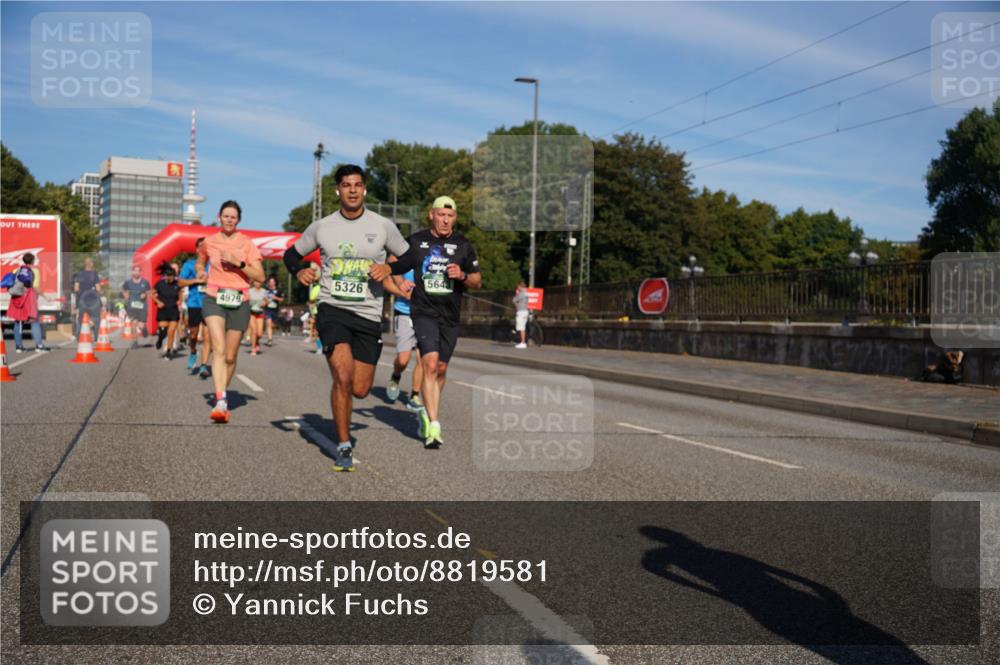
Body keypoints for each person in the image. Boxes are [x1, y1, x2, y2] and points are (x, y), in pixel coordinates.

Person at [283, 164, 409, 472]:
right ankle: (343, 445)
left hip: (368, 314)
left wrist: (390, 268)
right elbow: (291, 254)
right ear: (338, 190)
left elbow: (411, 256)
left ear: (364, 189)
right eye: (346, 185)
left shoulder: (383, 226)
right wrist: (298, 270)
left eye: (357, 184)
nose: (352, 190)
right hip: (332, 309)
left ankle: (344, 410)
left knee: (360, 388)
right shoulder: (322, 227)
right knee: (342, 375)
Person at [380, 195, 482, 448]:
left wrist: (463, 275)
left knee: (442, 369)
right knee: (430, 364)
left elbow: (477, 281)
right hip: (423, 312)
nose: (445, 220)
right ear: (431, 215)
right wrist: (399, 282)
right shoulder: (416, 241)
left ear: (454, 218)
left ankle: (427, 410)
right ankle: (434, 426)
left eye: (450, 216)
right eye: (441, 215)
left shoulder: (463, 245)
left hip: (450, 315)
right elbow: (391, 262)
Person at [196, 200, 265, 423]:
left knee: (230, 356)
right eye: (226, 216)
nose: (229, 220)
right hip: (214, 298)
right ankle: (221, 401)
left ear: (238, 220)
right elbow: (201, 261)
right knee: (218, 348)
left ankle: (221, 394)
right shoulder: (209, 241)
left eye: (233, 217)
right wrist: (201, 271)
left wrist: (239, 263)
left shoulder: (247, 244)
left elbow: (260, 276)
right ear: (219, 217)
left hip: (239, 300)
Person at [386, 268, 424, 412]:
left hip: (426, 315)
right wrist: (402, 293)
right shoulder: (403, 257)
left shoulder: (433, 259)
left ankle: (414, 395)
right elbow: (387, 281)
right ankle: (396, 376)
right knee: (403, 360)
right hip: (404, 313)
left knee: (423, 358)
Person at [179, 237, 212, 375]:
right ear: (197, 249)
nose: (204, 249)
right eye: (201, 246)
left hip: (211, 303)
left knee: (207, 336)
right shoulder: (189, 264)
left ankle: (204, 365)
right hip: (194, 303)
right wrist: (195, 280)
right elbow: (180, 282)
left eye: (206, 246)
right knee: (193, 335)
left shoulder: (213, 265)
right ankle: (193, 351)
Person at [6, 253, 49, 352]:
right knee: (34, 321)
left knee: (17, 321)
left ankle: (19, 347)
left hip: (16, 298)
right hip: (29, 298)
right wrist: (45, 296)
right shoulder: (34, 271)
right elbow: (35, 287)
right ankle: (39, 346)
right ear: (32, 261)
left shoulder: (16, 270)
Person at [152, 262, 182, 359]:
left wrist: (180, 301)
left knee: (171, 332)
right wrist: (158, 302)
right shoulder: (160, 284)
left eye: (172, 276)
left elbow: (180, 293)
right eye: (169, 276)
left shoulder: (177, 284)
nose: (171, 278)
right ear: (165, 276)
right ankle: (160, 339)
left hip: (173, 310)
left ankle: (169, 351)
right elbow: (151, 294)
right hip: (163, 310)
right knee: (163, 331)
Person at [121, 264, 151, 348]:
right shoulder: (128, 282)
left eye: (138, 271)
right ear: (132, 272)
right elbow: (123, 290)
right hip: (132, 306)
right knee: (133, 323)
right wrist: (125, 295)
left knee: (140, 325)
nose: (136, 272)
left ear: (140, 272)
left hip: (142, 306)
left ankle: (143, 328)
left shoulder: (145, 282)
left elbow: (149, 291)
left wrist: (145, 294)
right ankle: (135, 342)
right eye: (135, 271)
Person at [73, 257, 103, 338]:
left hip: (82, 300)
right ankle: (96, 337)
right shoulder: (94, 274)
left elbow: (76, 288)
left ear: (85, 264)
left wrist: (80, 296)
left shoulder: (79, 274)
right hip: (93, 300)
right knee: (96, 319)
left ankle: (79, 337)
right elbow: (98, 289)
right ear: (91, 264)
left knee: (81, 319)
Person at [247, 279, 268, 356]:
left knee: (260, 334)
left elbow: (267, 301)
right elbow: (246, 300)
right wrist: (250, 302)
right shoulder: (250, 291)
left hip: (260, 313)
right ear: (253, 283)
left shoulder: (264, 291)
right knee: (254, 331)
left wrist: (264, 303)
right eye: (256, 282)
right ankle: (253, 349)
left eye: (259, 282)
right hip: (251, 312)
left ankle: (257, 342)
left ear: (261, 283)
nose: (257, 283)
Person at [513, 280, 530, 349]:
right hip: (525, 311)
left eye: (518, 287)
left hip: (521, 312)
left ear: (520, 286)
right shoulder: (526, 292)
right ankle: (522, 342)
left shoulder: (521, 293)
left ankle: (523, 342)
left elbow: (514, 300)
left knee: (521, 327)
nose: (517, 288)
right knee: (522, 327)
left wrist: (516, 294)